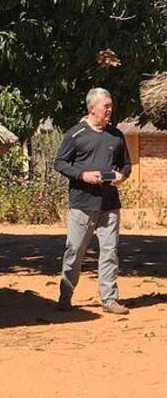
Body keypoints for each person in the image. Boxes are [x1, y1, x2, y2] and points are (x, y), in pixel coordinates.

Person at [53, 87, 131, 315]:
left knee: (110, 252)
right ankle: (65, 295)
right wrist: (83, 175)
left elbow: (126, 164)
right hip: (82, 204)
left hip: (109, 205)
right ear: (91, 108)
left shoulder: (116, 135)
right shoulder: (75, 134)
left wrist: (122, 176)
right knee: (75, 250)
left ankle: (109, 299)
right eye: (106, 106)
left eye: (110, 106)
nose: (109, 110)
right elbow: (60, 163)